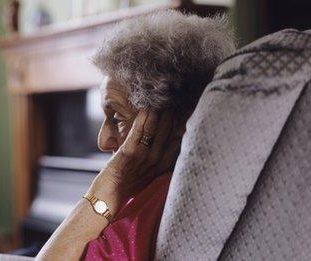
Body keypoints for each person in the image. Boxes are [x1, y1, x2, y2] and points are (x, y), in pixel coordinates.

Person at [36, 10, 235, 260]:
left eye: (117, 118)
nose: (103, 140)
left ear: (175, 123)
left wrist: (112, 180)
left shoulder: (160, 203)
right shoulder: (157, 187)